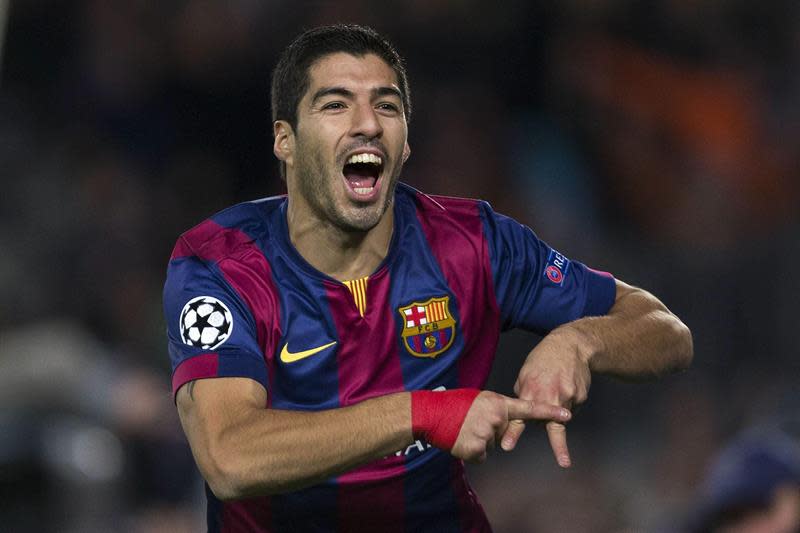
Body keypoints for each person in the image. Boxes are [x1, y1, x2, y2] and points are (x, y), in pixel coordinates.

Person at [163, 24, 693, 532]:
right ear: (286, 140)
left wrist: (581, 341)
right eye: (336, 103)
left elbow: (667, 332)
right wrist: (425, 412)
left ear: (405, 143)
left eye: (387, 106)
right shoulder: (222, 264)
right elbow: (229, 456)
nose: (368, 123)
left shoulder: (474, 244)